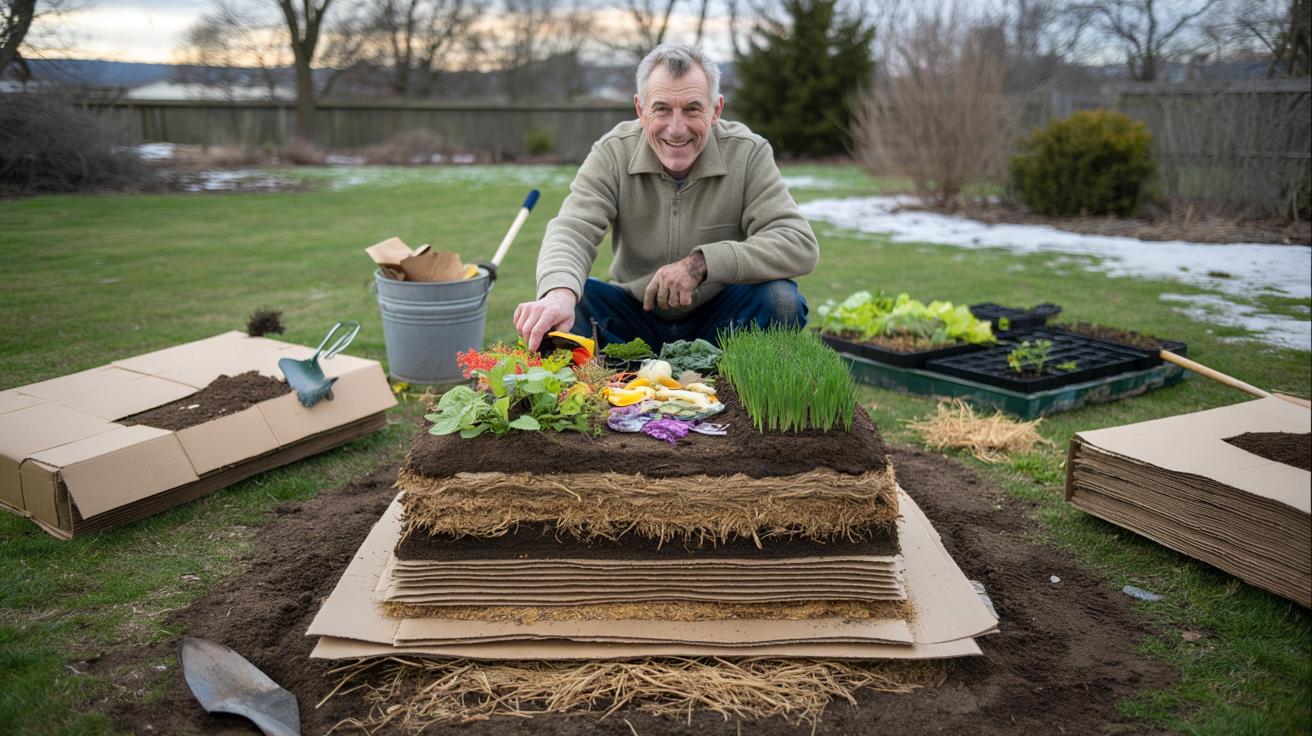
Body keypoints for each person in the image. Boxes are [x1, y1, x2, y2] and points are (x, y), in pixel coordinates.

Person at [513, 42, 819, 351]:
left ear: (715, 110)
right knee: (568, 304)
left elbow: (798, 243)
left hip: (719, 319)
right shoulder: (613, 151)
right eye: (661, 109)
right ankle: (605, 385)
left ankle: (735, 384)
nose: (676, 129)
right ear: (640, 109)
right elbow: (573, 229)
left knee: (781, 300)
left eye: (692, 109)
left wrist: (701, 265)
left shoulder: (748, 153)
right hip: (631, 317)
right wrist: (559, 293)